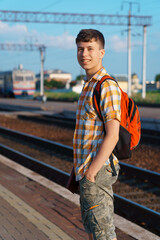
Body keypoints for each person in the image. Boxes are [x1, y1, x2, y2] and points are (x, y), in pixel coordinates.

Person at [73, 29, 121, 240]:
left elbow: (113, 135)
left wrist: (91, 172)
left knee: (103, 233)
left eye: (90, 49)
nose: (84, 54)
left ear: (102, 52)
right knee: (94, 230)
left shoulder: (106, 86)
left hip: (96, 169)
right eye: (80, 49)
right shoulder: (88, 86)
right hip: (86, 169)